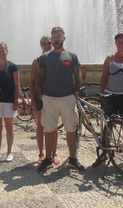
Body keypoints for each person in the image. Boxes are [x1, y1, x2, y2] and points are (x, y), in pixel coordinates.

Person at [36, 27, 84, 172]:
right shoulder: (45, 57)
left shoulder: (71, 56)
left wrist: (75, 93)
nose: (56, 38)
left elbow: (78, 75)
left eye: (59, 36)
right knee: (49, 129)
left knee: (71, 129)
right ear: (51, 39)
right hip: (49, 98)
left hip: (68, 96)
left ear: (64, 38)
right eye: (54, 36)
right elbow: (39, 77)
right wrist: (41, 96)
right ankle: (48, 159)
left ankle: (73, 159)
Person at [30, 35, 59, 165]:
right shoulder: (37, 61)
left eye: (49, 43)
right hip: (40, 97)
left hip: (53, 96)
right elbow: (32, 81)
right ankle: (41, 154)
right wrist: (33, 99)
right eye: (44, 43)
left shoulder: (57, 58)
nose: (47, 45)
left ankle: (54, 153)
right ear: (41, 45)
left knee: (54, 127)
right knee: (41, 126)